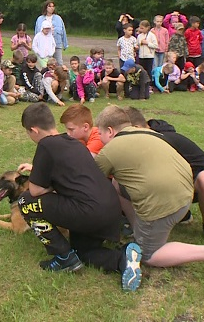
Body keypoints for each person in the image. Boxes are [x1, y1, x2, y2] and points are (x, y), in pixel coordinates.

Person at [94, 105, 204, 285]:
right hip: (186, 196)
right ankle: (140, 232)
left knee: (149, 255)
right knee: (117, 184)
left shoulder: (110, 151)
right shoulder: (152, 134)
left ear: (110, 131)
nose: (99, 138)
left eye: (100, 133)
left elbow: (91, 181)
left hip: (164, 205)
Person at [15, 104, 142, 292]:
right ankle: (122, 259)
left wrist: (51, 186)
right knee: (83, 252)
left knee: (26, 202)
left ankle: (63, 257)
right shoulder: (74, 142)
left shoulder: (46, 145)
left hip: (88, 211)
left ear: (33, 130)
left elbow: (35, 190)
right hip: (109, 210)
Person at [35, 0, 69, 65]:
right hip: (44, 45)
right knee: (46, 63)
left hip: (56, 44)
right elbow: (37, 32)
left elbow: (63, 31)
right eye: (50, 6)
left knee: (59, 63)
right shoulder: (40, 19)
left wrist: (65, 44)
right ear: (46, 7)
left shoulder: (58, 18)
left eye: (53, 6)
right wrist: (37, 44)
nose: (52, 8)